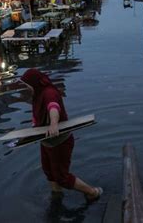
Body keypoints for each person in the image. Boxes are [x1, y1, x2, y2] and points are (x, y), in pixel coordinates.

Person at [20, 68, 103, 201]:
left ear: (34, 83)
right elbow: (38, 119)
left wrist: (54, 124)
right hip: (46, 141)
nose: (26, 88)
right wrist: (27, 135)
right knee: (49, 172)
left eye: (27, 85)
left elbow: (53, 108)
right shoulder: (37, 95)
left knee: (61, 177)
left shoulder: (49, 93)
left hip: (60, 141)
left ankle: (92, 192)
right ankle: (57, 195)